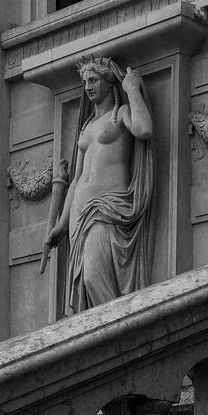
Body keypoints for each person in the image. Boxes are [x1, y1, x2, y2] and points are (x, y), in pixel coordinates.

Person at [44, 56, 155, 313]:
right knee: (85, 280)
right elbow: (75, 181)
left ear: (108, 82)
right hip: (80, 212)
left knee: (94, 275)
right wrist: (60, 226)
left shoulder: (122, 114)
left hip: (107, 206)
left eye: (93, 80)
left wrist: (132, 89)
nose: (87, 87)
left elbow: (145, 129)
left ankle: (119, 333)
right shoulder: (86, 126)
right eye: (84, 82)